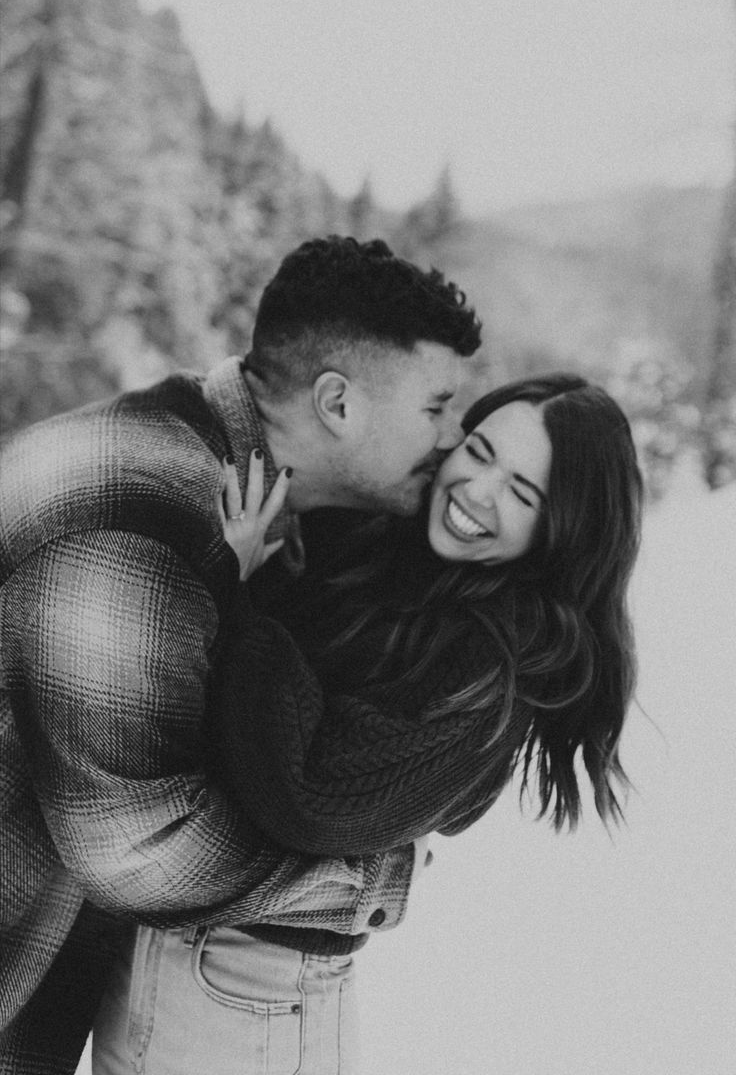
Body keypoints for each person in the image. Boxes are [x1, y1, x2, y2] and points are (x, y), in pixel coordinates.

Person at [0, 236, 482, 1075]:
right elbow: (140, 846)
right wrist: (368, 879)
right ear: (338, 404)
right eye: (437, 406)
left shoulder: (254, 499)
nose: (455, 435)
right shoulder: (141, 509)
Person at [92, 374, 643, 1075]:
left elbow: (312, 801)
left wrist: (239, 598)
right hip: (161, 952)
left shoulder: (491, 669)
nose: (477, 491)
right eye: (478, 451)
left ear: (562, 529)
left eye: (523, 492)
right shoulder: (386, 556)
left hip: (242, 992)